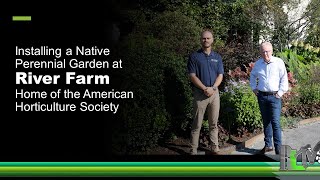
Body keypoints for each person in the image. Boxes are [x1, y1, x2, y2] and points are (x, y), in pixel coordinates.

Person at [187, 29, 224, 155]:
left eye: (208, 38)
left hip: (214, 94)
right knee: (197, 124)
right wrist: (204, 88)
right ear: (200, 40)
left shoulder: (217, 57)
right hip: (200, 94)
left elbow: (220, 75)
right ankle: (193, 150)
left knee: (213, 123)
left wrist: (213, 88)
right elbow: (192, 76)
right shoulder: (194, 56)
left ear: (212, 40)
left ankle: (215, 148)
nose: (206, 40)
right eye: (204, 38)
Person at [249, 41, 289, 155]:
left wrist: (280, 92)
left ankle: (278, 150)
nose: (266, 54)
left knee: (275, 122)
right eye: (263, 51)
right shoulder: (258, 64)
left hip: (274, 97)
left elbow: (284, 78)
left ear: (272, 51)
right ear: (260, 52)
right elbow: (252, 76)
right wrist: (253, 88)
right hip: (262, 96)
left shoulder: (278, 62)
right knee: (266, 122)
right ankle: (268, 146)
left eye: (268, 51)